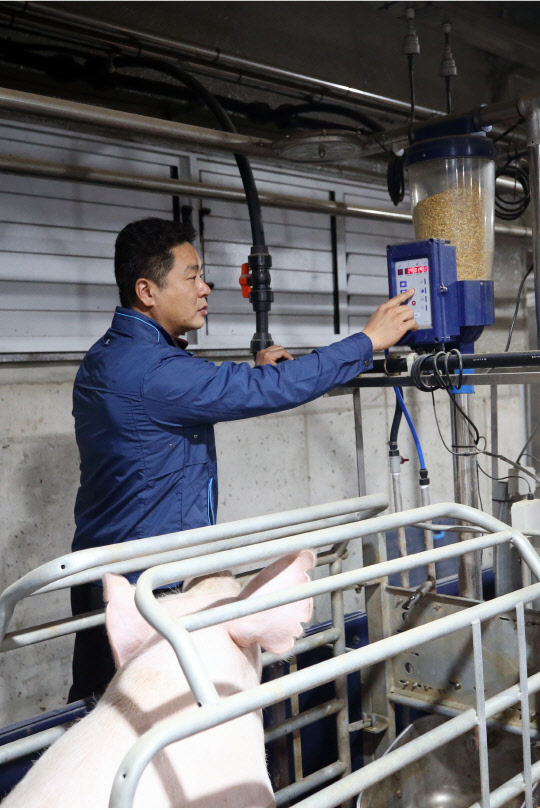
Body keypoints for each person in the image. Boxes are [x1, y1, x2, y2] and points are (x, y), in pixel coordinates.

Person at [68, 217, 417, 701]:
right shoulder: (153, 371)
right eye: (191, 277)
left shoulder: (107, 357)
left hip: (100, 574)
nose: (205, 288)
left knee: (97, 706)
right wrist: (367, 341)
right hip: (146, 590)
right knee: (150, 717)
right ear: (147, 290)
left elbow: (178, 393)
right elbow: (262, 390)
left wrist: (251, 373)